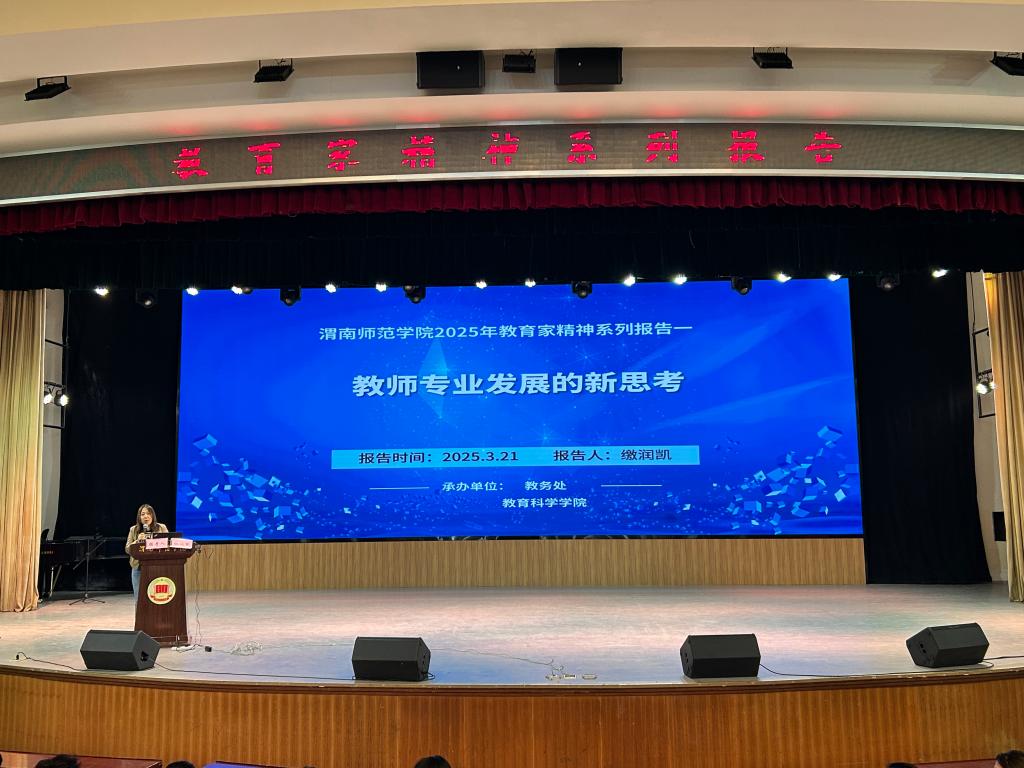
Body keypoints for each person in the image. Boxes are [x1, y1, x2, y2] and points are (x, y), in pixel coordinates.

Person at [125, 503, 168, 601]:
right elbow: (127, 549)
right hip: (138, 567)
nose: (146, 516)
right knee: (139, 598)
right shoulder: (133, 530)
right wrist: (137, 541)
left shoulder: (161, 528)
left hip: (157, 567)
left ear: (153, 515)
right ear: (139, 517)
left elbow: (168, 545)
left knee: (156, 597)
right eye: (143, 514)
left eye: (148, 513)